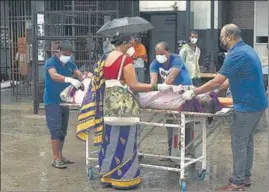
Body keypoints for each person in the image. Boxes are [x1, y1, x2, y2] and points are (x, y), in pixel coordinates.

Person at [182, 24, 268, 191]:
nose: (221, 40)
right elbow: (229, 79)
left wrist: (195, 92)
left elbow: (217, 80)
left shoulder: (236, 54)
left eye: (222, 36)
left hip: (247, 106)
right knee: (247, 143)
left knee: (238, 144)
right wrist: (215, 90)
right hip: (257, 104)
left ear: (229, 36)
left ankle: (237, 184)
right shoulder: (248, 50)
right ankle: (245, 177)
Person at [80, 34, 171, 189]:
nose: (132, 48)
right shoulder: (125, 60)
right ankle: (124, 179)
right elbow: (133, 85)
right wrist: (157, 87)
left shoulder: (105, 58)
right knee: (126, 141)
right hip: (124, 107)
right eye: (130, 45)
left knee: (110, 139)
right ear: (123, 44)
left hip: (109, 104)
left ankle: (107, 177)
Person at [149, 41, 194, 158]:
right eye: (157, 53)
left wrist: (163, 85)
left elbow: (172, 75)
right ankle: (171, 150)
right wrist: (154, 91)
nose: (159, 56)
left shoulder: (176, 59)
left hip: (185, 92)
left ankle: (188, 150)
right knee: (170, 122)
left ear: (168, 52)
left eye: (161, 53)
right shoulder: (154, 64)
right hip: (169, 94)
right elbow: (153, 83)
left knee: (187, 122)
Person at [44, 40, 84, 169]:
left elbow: (79, 74)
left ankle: (60, 156)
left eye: (70, 54)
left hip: (64, 102)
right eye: (65, 53)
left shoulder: (70, 64)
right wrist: (69, 79)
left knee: (62, 131)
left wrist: (85, 78)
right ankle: (55, 158)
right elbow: (54, 75)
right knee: (55, 130)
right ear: (59, 52)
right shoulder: (51, 62)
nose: (68, 56)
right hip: (52, 101)